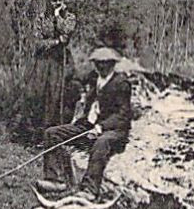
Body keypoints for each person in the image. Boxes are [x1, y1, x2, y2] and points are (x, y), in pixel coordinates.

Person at [39, 47, 132, 199]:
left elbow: (123, 116)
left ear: (112, 64)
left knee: (101, 143)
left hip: (114, 131)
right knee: (52, 133)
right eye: (97, 63)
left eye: (104, 63)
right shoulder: (95, 79)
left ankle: (90, 189)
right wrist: (81, 119)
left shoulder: (121, 83)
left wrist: (101, 127)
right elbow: (78, 83)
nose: (101, 67)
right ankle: (55, 179)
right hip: (89, 127)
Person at [32, 0, 78, 126]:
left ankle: (56, 127)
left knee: (58, 94)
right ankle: (37, 128)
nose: (56, 3)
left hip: (61, 60)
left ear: (64, 1)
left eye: (59, 0)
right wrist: (56, 41)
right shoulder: (41, 18)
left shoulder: (70, 17)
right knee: (40, 93)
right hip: (43, 60)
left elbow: (67, 32)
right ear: (48, 1)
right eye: (53, 0)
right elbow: (37, 42)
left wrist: (58, 16)